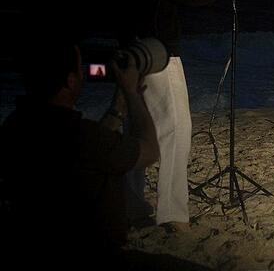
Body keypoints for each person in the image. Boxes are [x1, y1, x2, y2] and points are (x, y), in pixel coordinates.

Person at [116, 0, 243, 231]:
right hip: (160, 59)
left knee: (137, 131)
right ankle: (172, 213)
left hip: (132, 58)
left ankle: (133, 207)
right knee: (176, 131)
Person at [0, 37, 158, 267]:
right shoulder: (84, 136)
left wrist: (117, 110)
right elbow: (150, 150)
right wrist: (132, 95)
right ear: (70, 80)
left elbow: (83, 150)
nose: (85, 74)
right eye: (80, 69)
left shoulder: (13, 126)